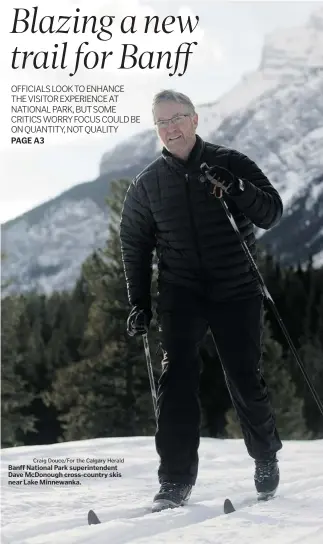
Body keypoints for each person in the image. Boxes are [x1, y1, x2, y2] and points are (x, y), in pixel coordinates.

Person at [119, 89, 283, 512]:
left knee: (244, 377)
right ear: (156, 128)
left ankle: (265, 457)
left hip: (236, 289)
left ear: (194, 120)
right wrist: (139, 301)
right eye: (162, 122)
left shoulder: (231, 162)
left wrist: (239, 189)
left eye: (177, 118)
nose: (170, 128)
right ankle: (174, 481)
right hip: (182, 292)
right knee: (175, 381)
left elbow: (271, 213)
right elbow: (134, 243)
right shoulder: (148, 184)